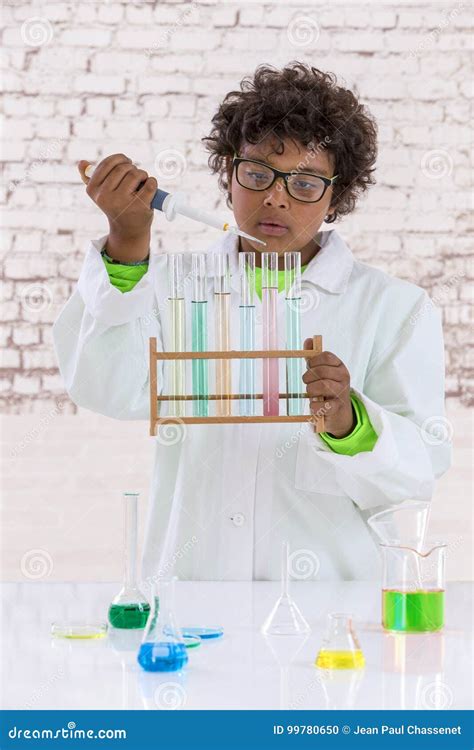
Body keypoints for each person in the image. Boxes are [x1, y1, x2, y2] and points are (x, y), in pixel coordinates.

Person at [53, 63, 451, 582]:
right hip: (194, 590)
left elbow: (419, 472)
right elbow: (104, 388)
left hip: (329, 602)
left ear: (337, 197)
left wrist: (349, 424)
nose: (276, 197)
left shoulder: (397, 308)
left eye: (306, 183)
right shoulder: (171, 283)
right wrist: (128, 243)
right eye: (258, 174)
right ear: (227, 174)